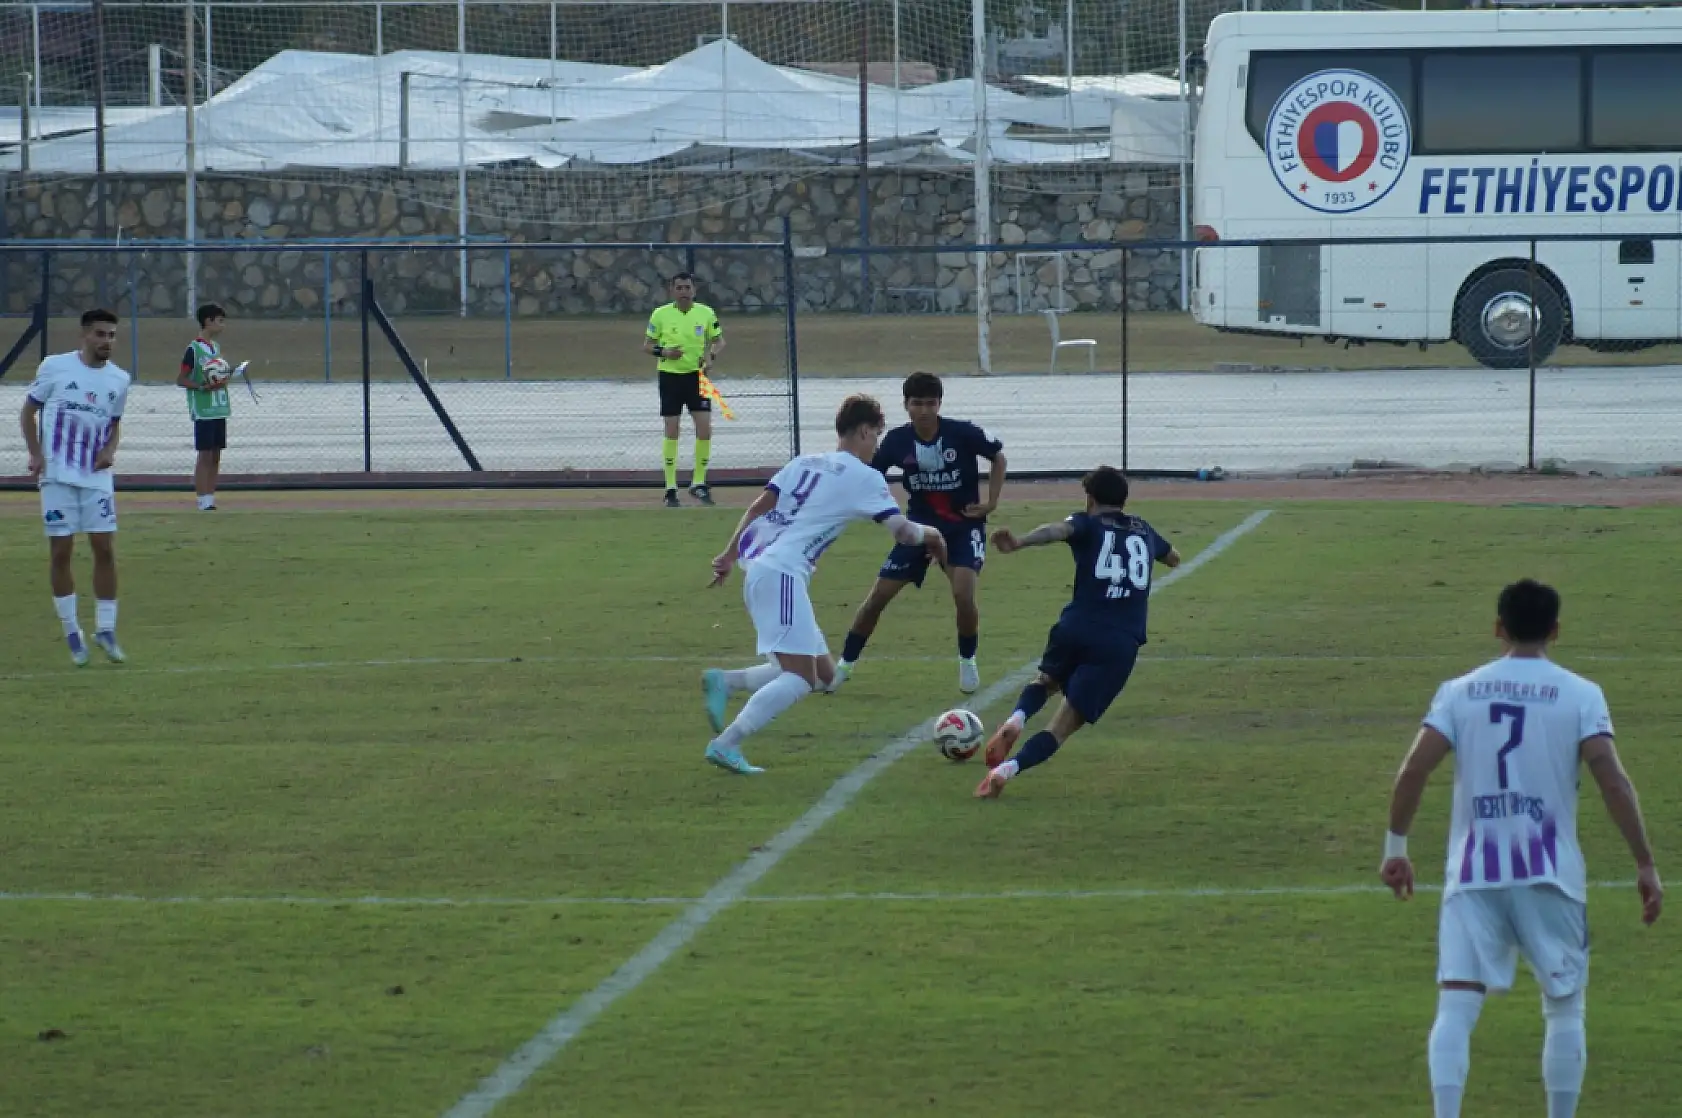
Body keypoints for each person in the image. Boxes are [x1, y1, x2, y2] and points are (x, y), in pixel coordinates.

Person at [1379, 578, 1663, 1118]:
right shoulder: (1581, 694)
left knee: (1456, 1005)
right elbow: (1612, 779)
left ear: (1497, 628)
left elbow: (1415, 767)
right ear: (1556, 630)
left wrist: (1397, 846)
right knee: (1563, 1008)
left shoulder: (1459, 691)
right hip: (1551, 874)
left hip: (1473, 875)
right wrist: (1644, 863)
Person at [699, 394, 948, 774]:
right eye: (876, 437)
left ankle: (726, 682)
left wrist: (730, 554)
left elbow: (758, 507)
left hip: (767, 571)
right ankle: (726, 744)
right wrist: (936, 535)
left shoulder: (804, 461)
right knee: (799, 678)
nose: (876, 446)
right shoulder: (865, 477)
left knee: (825, 675)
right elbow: (903, 532)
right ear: (865, 431)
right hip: (782, 574)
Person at [973, 466, 1180, 799]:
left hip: (1077, 626)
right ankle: (1005, 771)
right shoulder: (1144, 529)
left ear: (1090, 499)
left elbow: (1057, 530)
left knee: (1045, 681)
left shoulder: (1087, 523)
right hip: (1119, 641)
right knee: (1062, 726)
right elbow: (1173, 558)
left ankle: (1016, 719)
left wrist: (1021, 542)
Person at [836, 372, 1007, 695]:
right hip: (919, 529)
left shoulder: (962, 433)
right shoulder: (898, 441)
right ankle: (844, 665)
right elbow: (874, 475)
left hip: (962, 526)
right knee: (877, 599)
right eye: (917, 403)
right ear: (906, 405)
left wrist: (991, 502)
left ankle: (967, 661)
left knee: (963, 594)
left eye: (931, 403)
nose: (925, 410)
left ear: (940, 404)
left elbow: (998, 456)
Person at [18, 308, 132, 666]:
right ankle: (72, 632)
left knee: (104, 548)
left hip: (95, 476)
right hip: (56, 475)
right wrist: (36, 454)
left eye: (112, 335)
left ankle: (106, 629)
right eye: (100, 334)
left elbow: (114, 424)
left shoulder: (119, 379)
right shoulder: (55, 367)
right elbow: (27, 412)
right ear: (84, 335)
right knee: (61, 552)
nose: (107, 342)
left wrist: (110, 450)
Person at [643, 272, 724, 508]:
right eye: (679, 288)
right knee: (672, 430)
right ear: (672, 291)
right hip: (670, 377)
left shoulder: (705, 313)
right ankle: (670, 488)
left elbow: (719, 340)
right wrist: (665, 352)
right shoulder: (661, 314)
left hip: (696, 378)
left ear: (694, 290)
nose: (684, 292)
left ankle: (698, 483)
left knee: (705, 429)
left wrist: (711, 355)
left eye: (687, 287)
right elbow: (647, 346)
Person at [178, 302, 232, 511]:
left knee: (216, 453)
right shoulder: (194, 349)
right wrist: (201, 386)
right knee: (205, 454)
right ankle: (202, 500)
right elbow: (181, 379)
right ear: (208, 322)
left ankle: (210, 498)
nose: (223, 325)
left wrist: (224, 378)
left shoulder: (216, 348)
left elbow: (216, 374)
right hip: (203, 409)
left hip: (219, 407)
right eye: (220, 321)